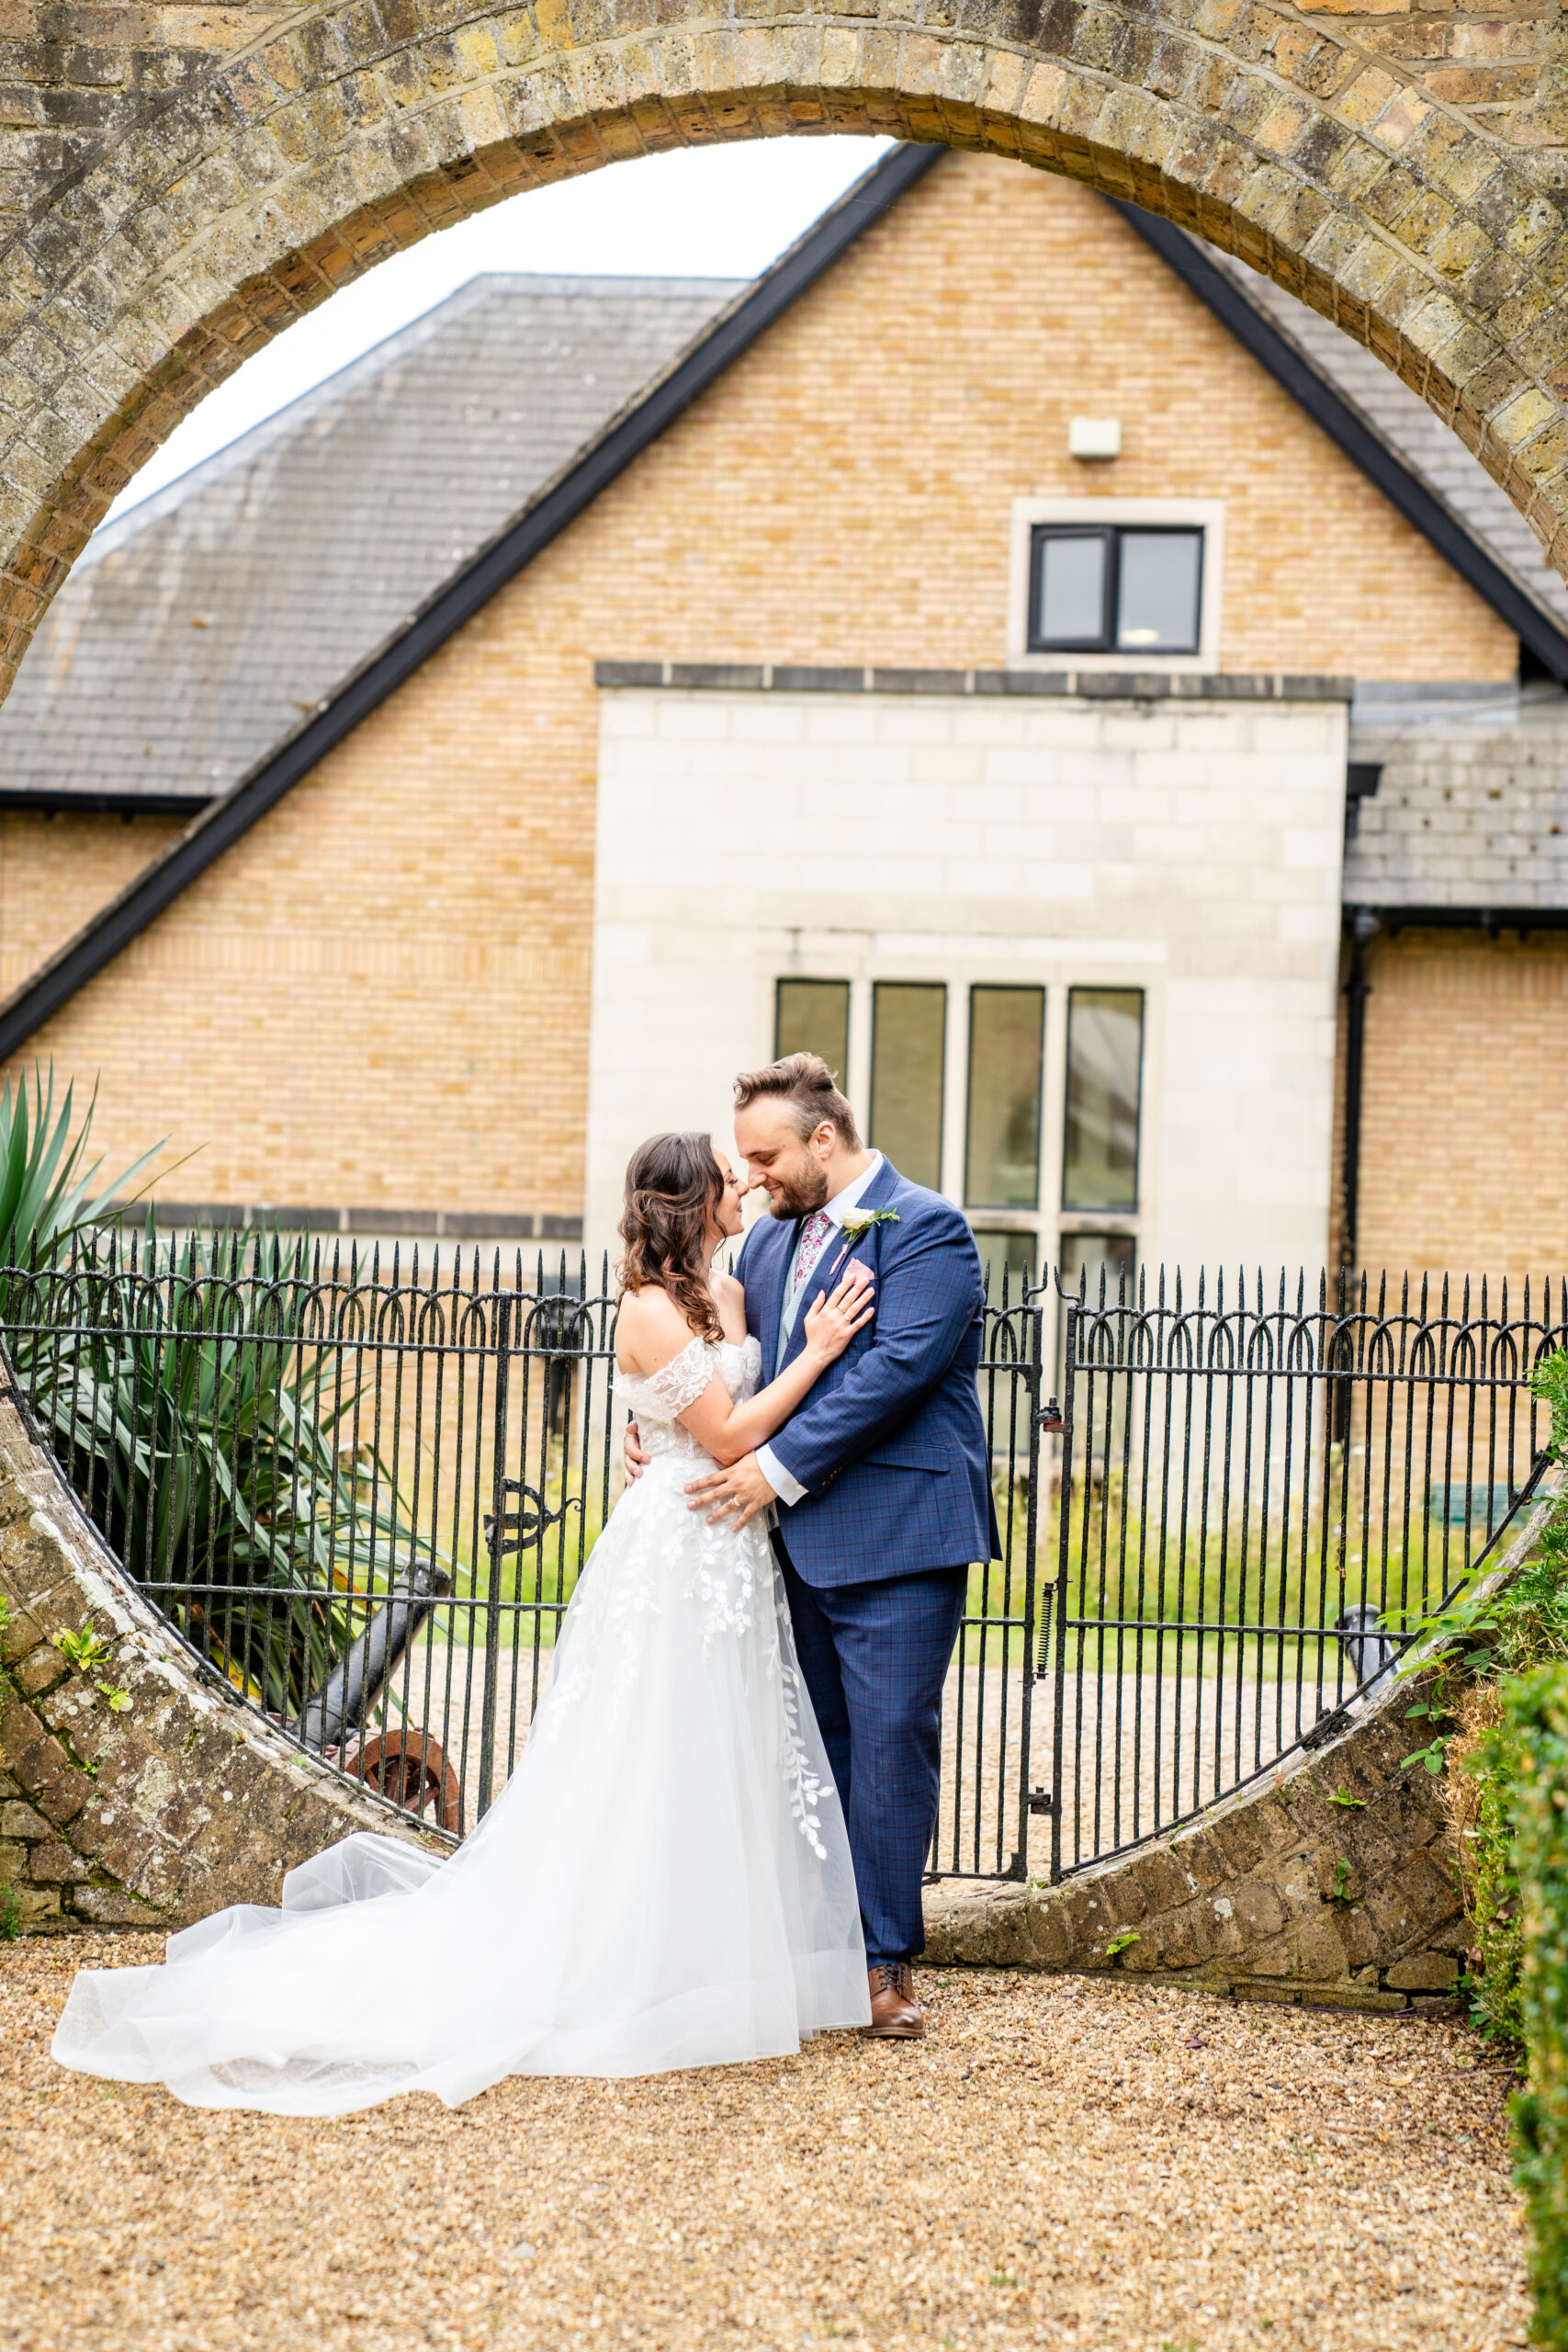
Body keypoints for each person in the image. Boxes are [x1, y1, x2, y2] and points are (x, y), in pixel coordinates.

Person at [51, 1133, 876, 2114]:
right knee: (643, 1743)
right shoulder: (645, 1311)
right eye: (726, 1172)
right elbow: (734, 1431)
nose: (743, 1182)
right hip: (674, 1544)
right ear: (690, 1199)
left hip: (731, 1542)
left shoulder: (730, 1295)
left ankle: (711, 1951)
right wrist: (822, 1352)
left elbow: (729, 1407)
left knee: (724, 1743)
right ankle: (619, 1959)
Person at [627, 1055, 998, 2040]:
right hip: (779, 1545)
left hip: (898, 1533)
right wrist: (663, 1442)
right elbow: (715, 1380)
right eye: (739, 1161)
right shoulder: (764, 1248)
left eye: (764, 1156)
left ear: (822, 1139)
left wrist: (769, 1469)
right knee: (807, 1753)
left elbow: (897, 1373)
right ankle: (817, 1951)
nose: (749, 1178)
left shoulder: (928, 1230)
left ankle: (883, 1965)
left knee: (886, 1748)